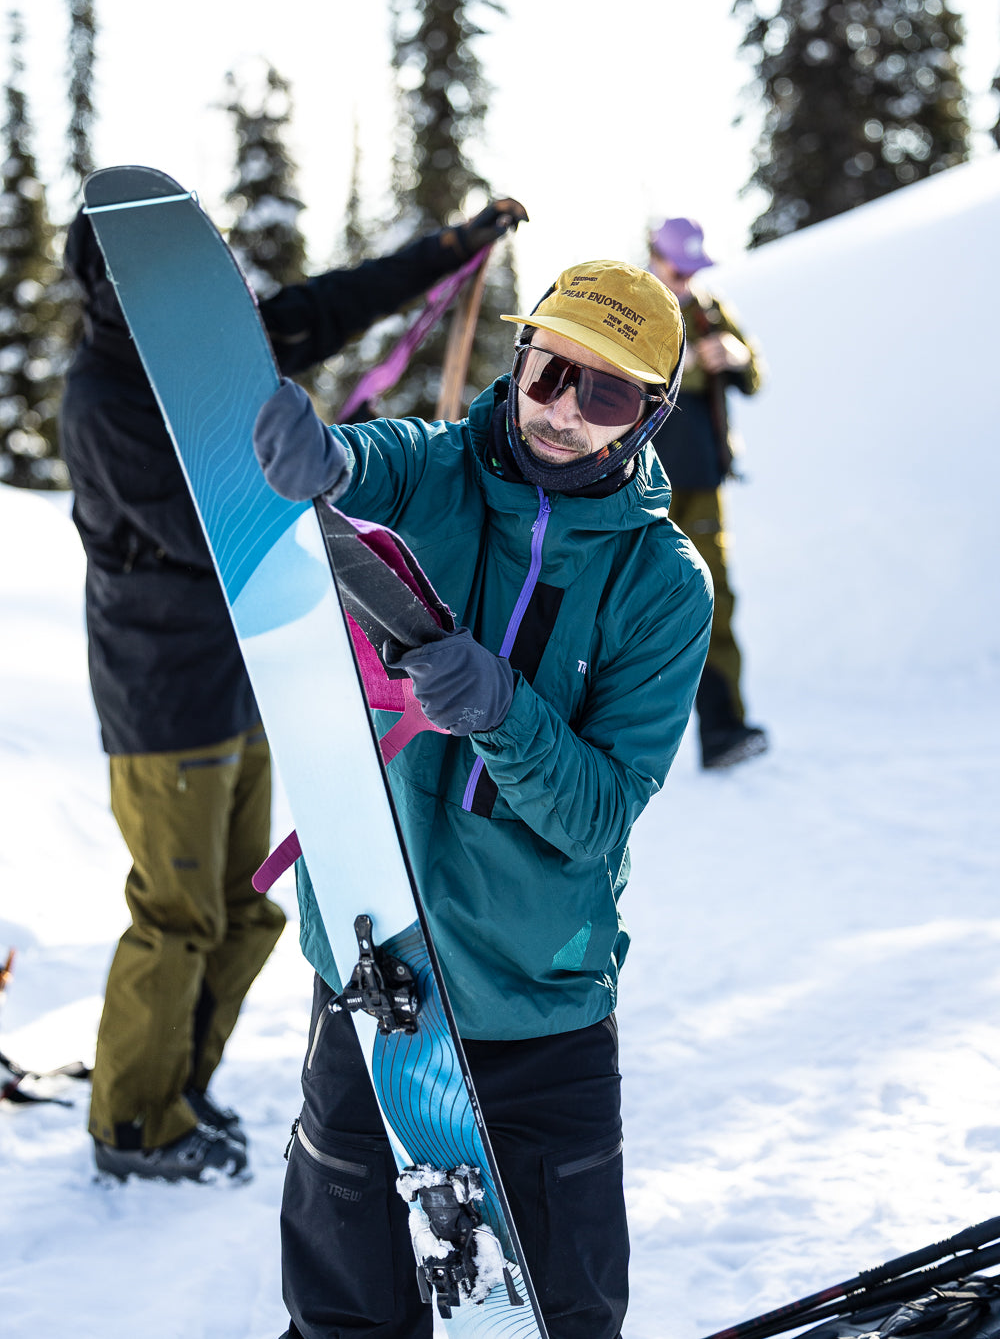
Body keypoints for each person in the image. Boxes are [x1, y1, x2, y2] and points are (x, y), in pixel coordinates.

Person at [252, 258, 714, 1338]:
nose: (561, 411)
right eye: (547, 372)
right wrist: (322, 458)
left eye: (606, 394)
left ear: (651, 415)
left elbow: (597, 815)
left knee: (557, 1318)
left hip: (534, 1010)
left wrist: (504, 709)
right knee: (343, 1317)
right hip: (374, 980)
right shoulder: (438, 471)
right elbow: (367, 464)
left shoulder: (663, 584)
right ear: (517, 361)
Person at [59, 195, 526, 1184]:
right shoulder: (105, 397)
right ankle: (133, 1125)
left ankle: (179, 1086)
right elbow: (208, 534)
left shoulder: (205, 354)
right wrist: (312, 500)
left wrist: (451, 248)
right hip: (160, 698)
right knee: (178, 913)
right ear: (111, 282)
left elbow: (333, 306)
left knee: (245, 909)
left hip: (241, 678)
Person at [648, 216, 768, 770]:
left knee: (712, 597)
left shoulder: (711, 309)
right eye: (679, 269)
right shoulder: (636, 306)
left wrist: (737, 356)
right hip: (643, 485)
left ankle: (723, 728)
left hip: (703, 483)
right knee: (636, 607)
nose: (687, 279)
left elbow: (754, 374)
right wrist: (692, 364)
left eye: (693, 270)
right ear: (655, 256)